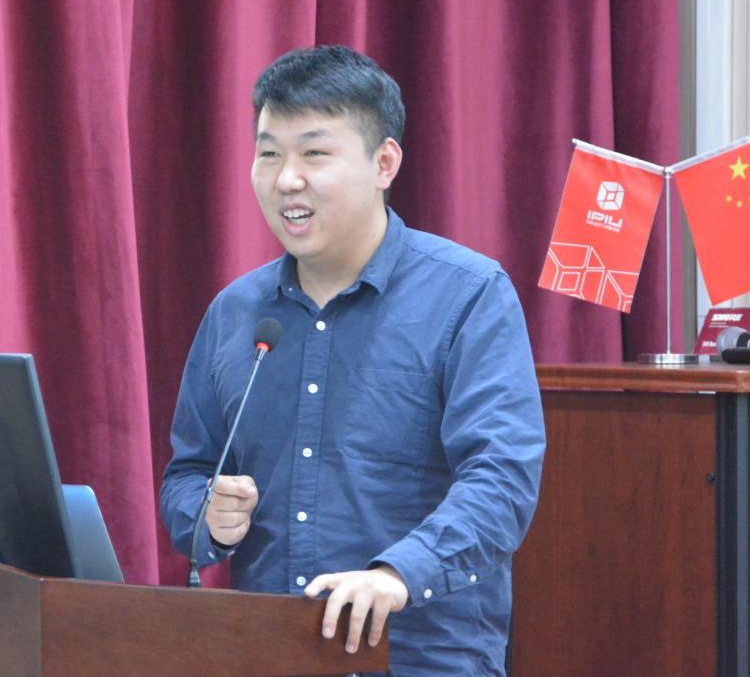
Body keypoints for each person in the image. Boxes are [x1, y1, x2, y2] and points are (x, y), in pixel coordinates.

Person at [159, 45, 545, 675]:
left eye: (314, 153)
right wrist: (207, 513)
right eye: (268, 153)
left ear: (384, 162)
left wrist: (398, 574)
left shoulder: (468, 296)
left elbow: (501, 476)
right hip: (271, 653)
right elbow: (190, 471)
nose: (287, 179)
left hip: (420, 656)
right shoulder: (236, 312)